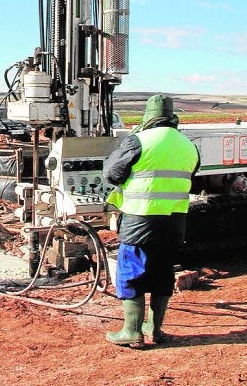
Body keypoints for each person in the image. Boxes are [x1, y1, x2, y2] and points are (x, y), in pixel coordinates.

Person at [103, 94, 200, 348]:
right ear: (172, 117)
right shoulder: (189, 146)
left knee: (132, 273)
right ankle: (155, 330)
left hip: (141, 220)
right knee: (163, 273)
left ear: (147, 116)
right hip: (175, 222)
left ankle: (131, 331)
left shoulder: (139, 141)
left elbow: (112, 174)